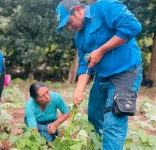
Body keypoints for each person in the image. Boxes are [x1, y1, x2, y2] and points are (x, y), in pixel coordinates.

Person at [56, 0, 143, 149]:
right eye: (67, 26)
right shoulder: (80, 37)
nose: (70, 28)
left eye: (69, 22)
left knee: (113, 120)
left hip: (126, 73)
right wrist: (79, 90)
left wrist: (102, 50)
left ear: (78, 10)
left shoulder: (106, 7)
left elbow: (133, 26)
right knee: (94, 115)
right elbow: (85, 63)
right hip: (103, 76)